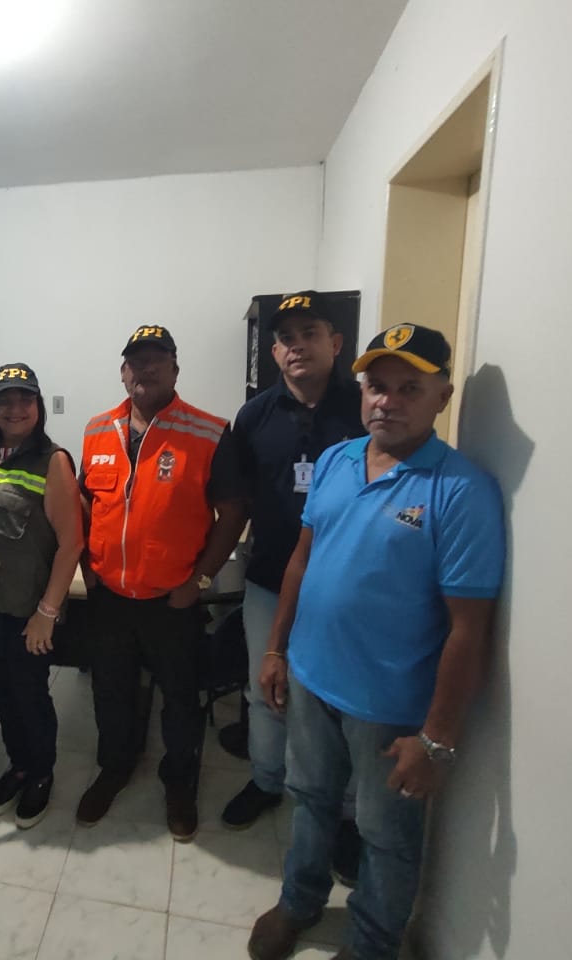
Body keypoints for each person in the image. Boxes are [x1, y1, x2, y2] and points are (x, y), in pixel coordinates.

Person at [248, 324, 507, 960]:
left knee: (384, 833)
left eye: (408, 388)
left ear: (442, 397)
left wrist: (437, 739)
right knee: (309, 799)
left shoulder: (460, 491)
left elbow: (469, 628)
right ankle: (299, 901)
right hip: (311, 678)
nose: (387, 401)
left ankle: (371, 944)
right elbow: (302, 561)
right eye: (377, 386)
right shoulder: (337, 460)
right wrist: (277, 649)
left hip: (389, 706)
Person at [76, 325, 246, 842]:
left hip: (173, 600)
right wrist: (88, 570)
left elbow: (233, 512)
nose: (145, 369)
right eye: (135, 360)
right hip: (110, 597)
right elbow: (84, 504)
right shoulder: (97, 429)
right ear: (122, 371)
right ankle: (115, 767)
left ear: (174, 368)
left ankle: (179, 781)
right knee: (111, 692)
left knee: (180, 697)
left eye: (156, 359)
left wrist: (200, 580)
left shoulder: (209, 432)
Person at [221, 293, 365, 863]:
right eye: (286, 338)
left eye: (310, 333)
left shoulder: (365, 411)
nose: (297, 345)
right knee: (265, 688)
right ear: (275, 352)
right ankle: (266, 779)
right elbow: (238, 497)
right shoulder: (254, 416)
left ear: (336, 342)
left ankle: (349, 813)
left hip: (345, 587)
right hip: (268, 577)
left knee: (344, 701)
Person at [0, 363, 84, 829]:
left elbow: (71, 543)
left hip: (27, 608)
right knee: (3, 690)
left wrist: (46, 613)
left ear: (38, 406)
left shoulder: (53, 461)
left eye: (25, 399)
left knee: (30, 693)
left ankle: (41, 772)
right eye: (5, 400)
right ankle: (18, 765)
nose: (15, 409)